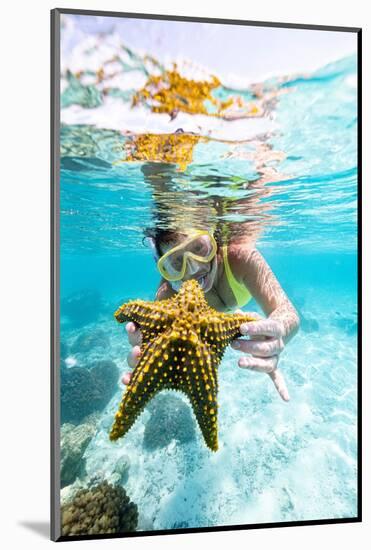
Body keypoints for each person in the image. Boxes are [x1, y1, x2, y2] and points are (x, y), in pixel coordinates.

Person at [122, 227, 300, 401]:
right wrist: (151, 361)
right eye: (177, 261)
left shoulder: (240, 257)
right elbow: (159, 349)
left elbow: (287, 311)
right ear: (167, 270)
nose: (193, 268)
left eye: (198, 248)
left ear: (213, 239)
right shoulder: (168, 296)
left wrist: (278, 331)